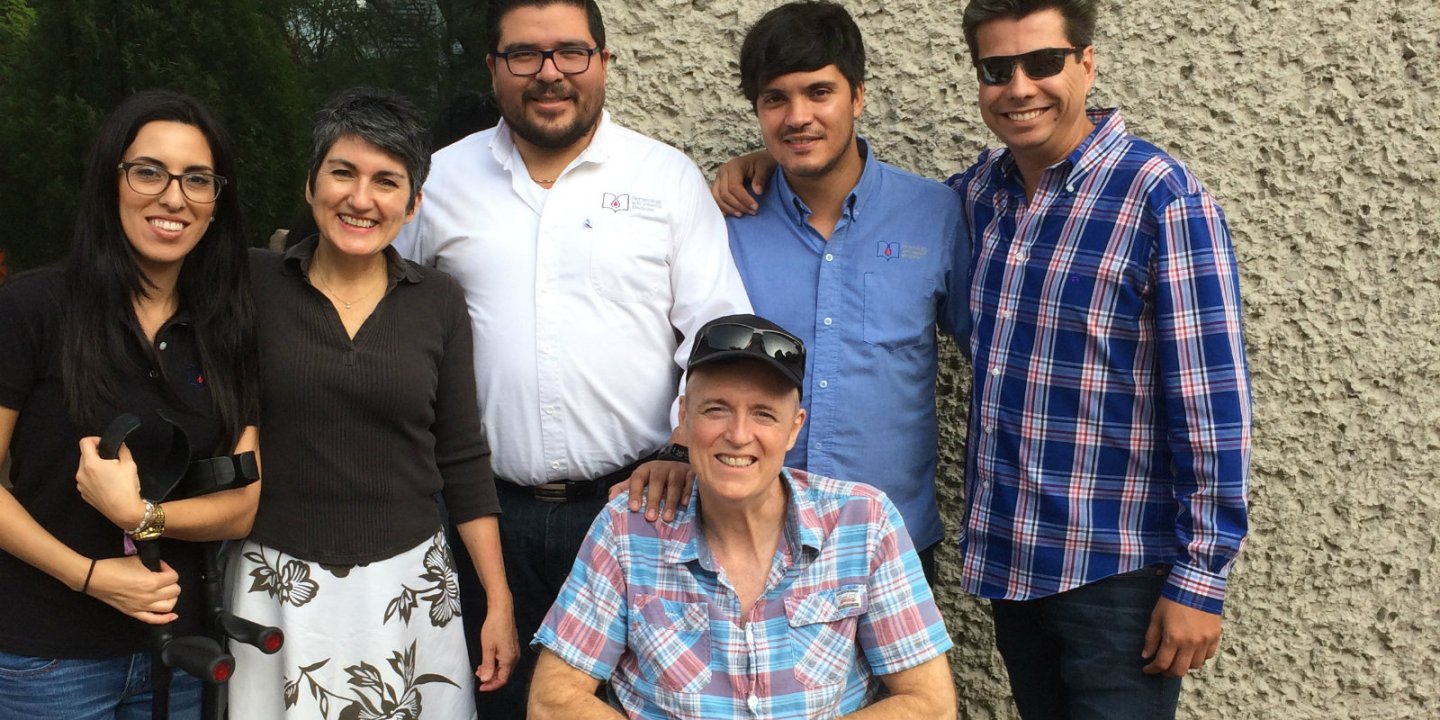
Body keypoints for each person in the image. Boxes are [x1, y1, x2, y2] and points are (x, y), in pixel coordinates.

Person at [392, 1, 751, 714]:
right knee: (489, 702)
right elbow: (382, 314)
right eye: (524, 55)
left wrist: (682, 452)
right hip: (478, 515)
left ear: (604, 62)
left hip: (633, 511)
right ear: (494, 69)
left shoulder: (666, 179)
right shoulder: (439, 183)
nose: (549, 74)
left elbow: (718, 335)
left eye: (570, 53)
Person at [950, 1, 1252, 716]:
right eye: (997, 70)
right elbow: (873, 206)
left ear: (1086, 63)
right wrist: (765, 167)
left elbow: (1211, 402)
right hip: (1013, 568)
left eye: (1042, 62)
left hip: (1119, 580)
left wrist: (1200, 579)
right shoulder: (979, 198)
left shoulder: (1163, 199)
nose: (1019, 88)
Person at [226, 88, 516, 720]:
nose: (361, 199)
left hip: (409, 585)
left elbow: (463, 455)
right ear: (310, 185)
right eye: (343, 173)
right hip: (279, 582)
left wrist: (497, 599)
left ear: (413, 205)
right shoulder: (250, 285)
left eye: (387, 181)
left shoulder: (437, 301)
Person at [529, 313, 956, 720]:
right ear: (684, 417)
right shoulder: (628, 526)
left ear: (794, 428)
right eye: (715, 409)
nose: (737, 434)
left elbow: (930, 703)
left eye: (763, 414)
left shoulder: (864, 522)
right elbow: (554, 701)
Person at [0, 90, 260, 719]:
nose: (174, 197)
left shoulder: (224, 329)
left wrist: (142, 515)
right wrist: (88, 576)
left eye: (197, 179)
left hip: (180, 656)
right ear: (109, 180)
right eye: (149, 171)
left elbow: (241, 505)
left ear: (216, 203)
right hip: (51, 659)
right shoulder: (33, 309)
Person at [723, 1, 970, 583]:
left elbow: (992, 352)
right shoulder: (726, 225)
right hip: (757, 544)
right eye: (775, 99)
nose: (797, 116)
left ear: (857, 97)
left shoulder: (935, 215)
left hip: (894, 545)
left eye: (819, 92)